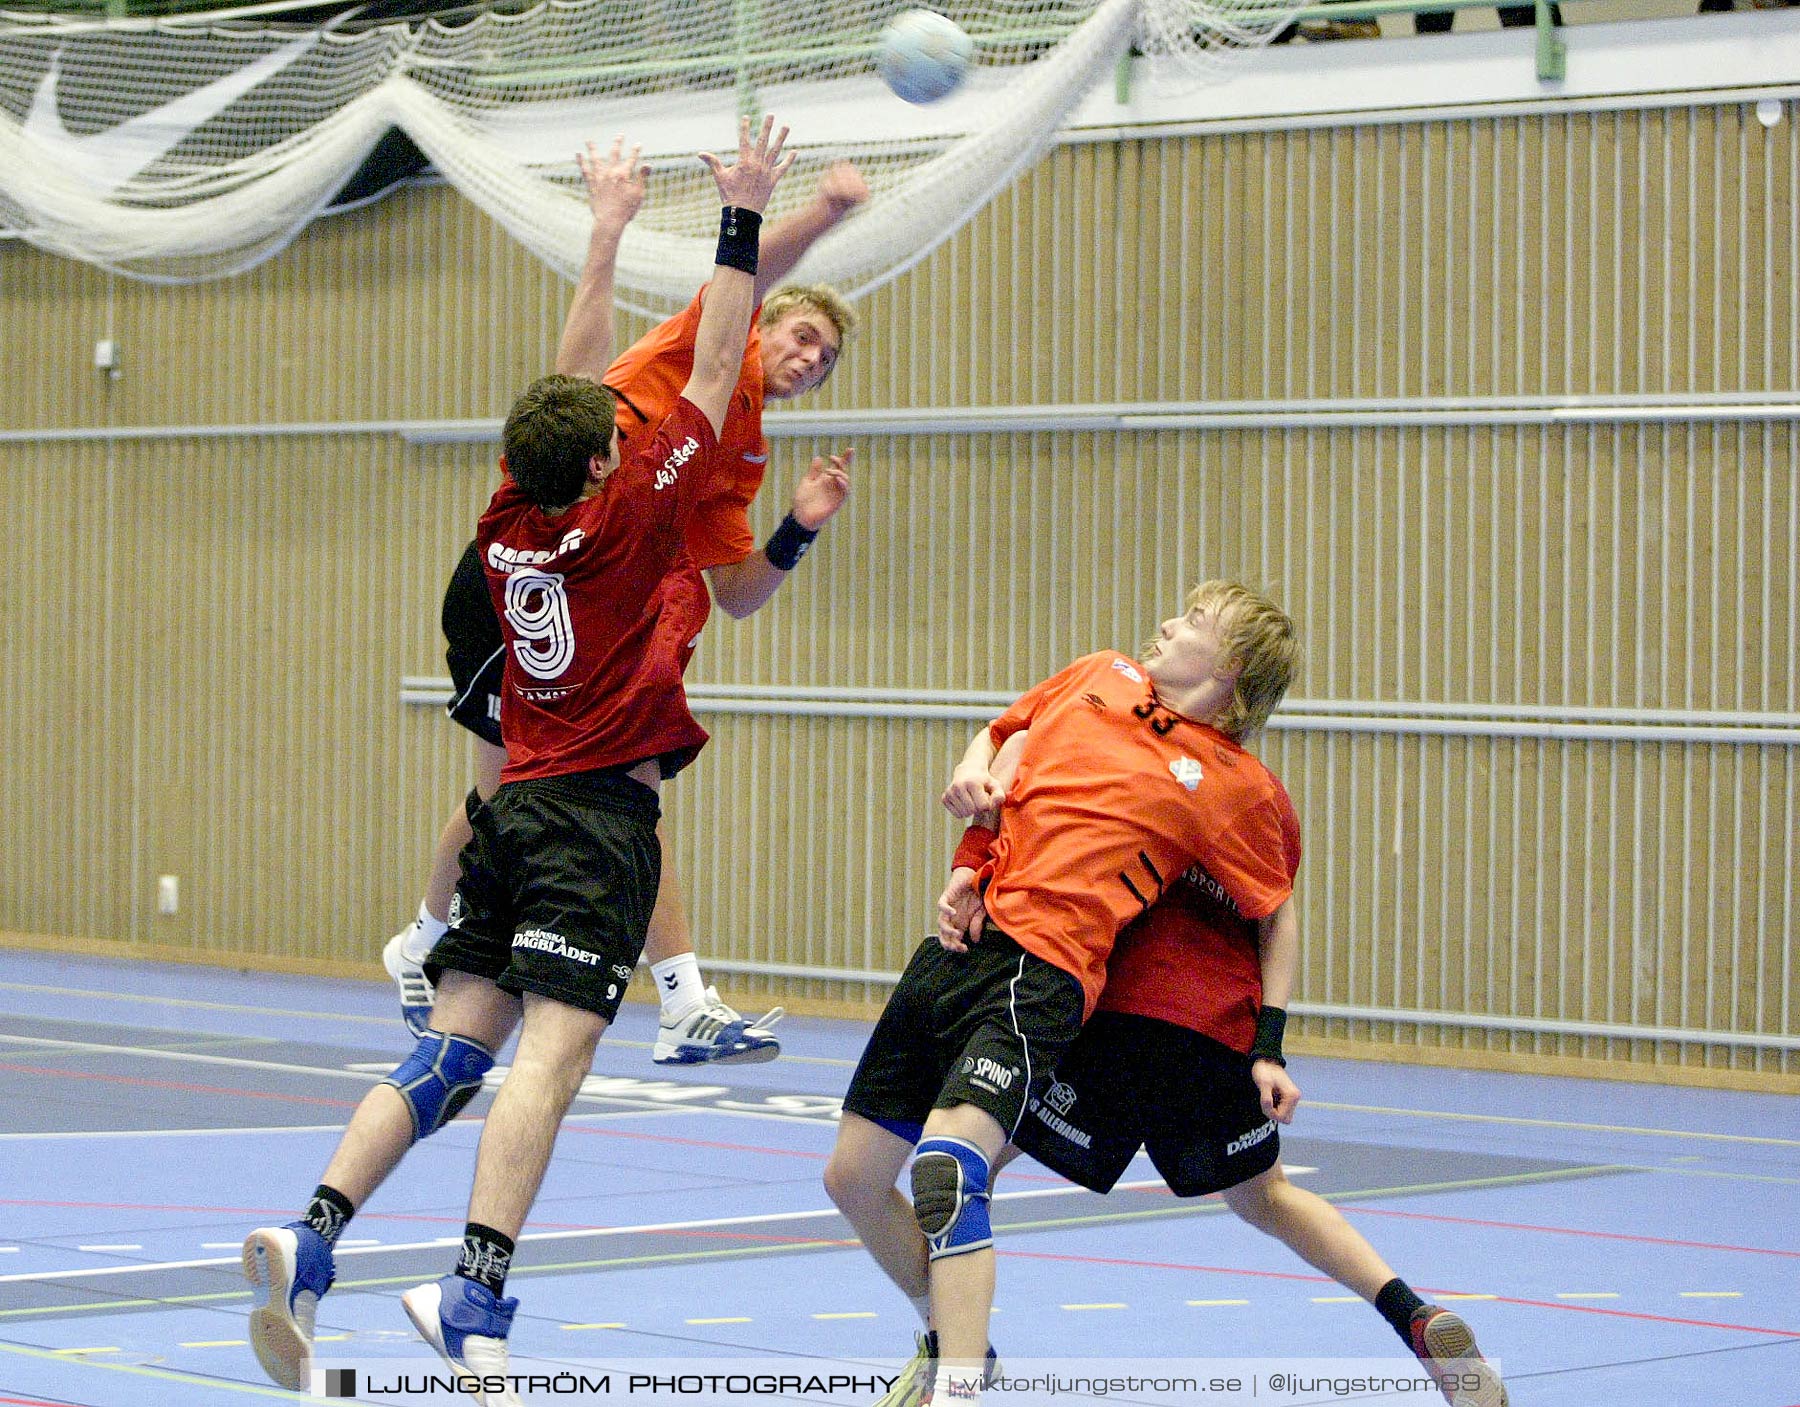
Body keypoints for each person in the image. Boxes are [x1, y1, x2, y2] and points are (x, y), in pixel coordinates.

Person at [242, 118, 810, 1402]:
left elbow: (568, 387)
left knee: (451, 1053)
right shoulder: (629, 519)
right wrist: (744, 216)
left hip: (513, 812)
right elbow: (714, 368)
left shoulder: (508, 517)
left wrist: (608, 232)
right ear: (610, 455)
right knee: (551, 1059)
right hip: (597, 821)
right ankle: (472, 1290)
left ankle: (313, 1237)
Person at [384, 157, 868, 1065]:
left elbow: (737, 593)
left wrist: (799, 531)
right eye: (803, 336)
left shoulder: (739, 452)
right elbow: (743, 285)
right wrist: (817, 212)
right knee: (533, 793)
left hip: (602, 596)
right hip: (526, 591)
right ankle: (437, 944)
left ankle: (662, 993)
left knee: (594, 782)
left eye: (827, 359)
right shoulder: (702, 348)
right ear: (765, 325)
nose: (810, 358)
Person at [824, 580, 1302, 1406]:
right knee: (853, 1179)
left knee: (948, 1169)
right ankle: (947, 1341)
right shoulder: (1102, 673)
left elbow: (1275, 914)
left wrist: (1268, 1040)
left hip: (1043, 972)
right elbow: (1005, 739)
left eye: (1191, 620)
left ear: (1228, 666)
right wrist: (970, 801)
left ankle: (960, 1388)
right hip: (954, 953)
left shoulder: (1231, 782)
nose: (1164, 621)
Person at [922, 751, 1509, 1407]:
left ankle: (954, 1358)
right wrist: (1269, 1050)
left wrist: (975, 882)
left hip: (1116, 1015)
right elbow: (1275, 919)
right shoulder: (1265, 797)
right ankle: (1412, 1315)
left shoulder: (1122, 760)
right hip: (1219, 1028)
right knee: (1268, 1197)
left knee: (962, 1165)